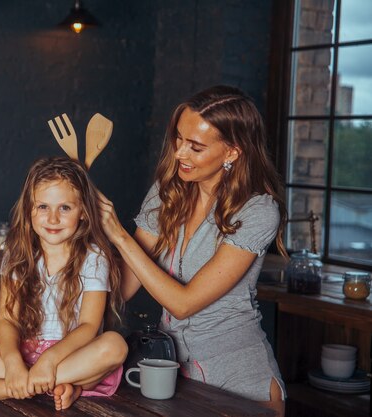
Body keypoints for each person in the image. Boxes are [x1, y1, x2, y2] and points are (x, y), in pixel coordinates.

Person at [97, 85, 287, 416]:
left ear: (232, 152)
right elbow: (125, 286)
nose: (180, 154)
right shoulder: (168, 192)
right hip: (174, 371)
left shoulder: (257, 210)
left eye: (195, 147)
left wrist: (119, 236)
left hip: (239, 380)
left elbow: (184, 304)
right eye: (179, 140)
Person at [0, 156, 127, 411]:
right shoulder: (16, 253)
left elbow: (89, 326)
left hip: (71, 355)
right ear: (29, 211)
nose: (52, 218)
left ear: (83, 212)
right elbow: (7, 319)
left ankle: (6, 388)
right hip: (25, 351)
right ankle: (62, 385)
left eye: (65, 208)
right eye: (42, 207)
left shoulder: (94, 258)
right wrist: (12, 362)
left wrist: (50, 360)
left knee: (114, 346)